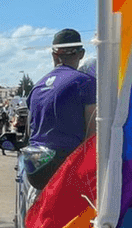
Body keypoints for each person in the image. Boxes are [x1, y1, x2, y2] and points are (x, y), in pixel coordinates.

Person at [25, 29, 96, 188]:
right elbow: (93, 134)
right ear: (81, 54)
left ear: (54, 55)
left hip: (35, 170)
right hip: (64, 170)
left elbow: (30, 132)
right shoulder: (85, 82)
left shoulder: (37, 86)